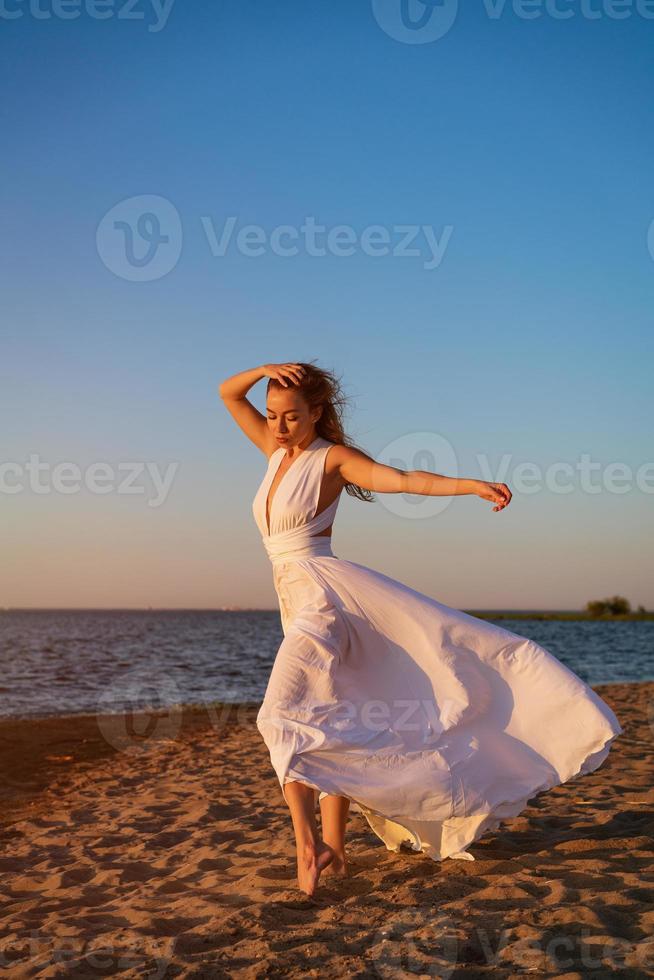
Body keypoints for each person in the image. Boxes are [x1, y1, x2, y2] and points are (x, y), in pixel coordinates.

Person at [219, 360, 623, 897]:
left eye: (292, 416)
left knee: (281, 716)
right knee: (337, 715)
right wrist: (263, 368)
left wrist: (471, 486)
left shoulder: (332, 459)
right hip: (294, 599)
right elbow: (228, 394)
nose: (279, 426)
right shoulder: (275, 454)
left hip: (323, 600)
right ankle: (336, 851)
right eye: (273, 415)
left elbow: (405, 481)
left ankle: (307, 845)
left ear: (317, 413)